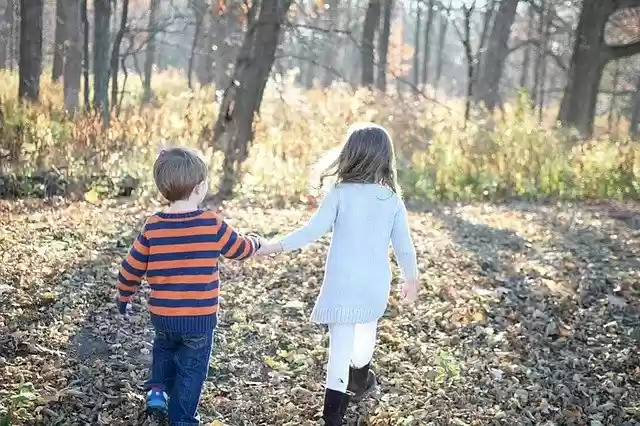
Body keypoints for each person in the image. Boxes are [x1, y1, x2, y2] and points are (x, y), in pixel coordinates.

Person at [257, 123, 420, 425]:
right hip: (373, 287)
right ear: (385, 159)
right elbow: (405, 248)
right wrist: (412, 279)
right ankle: (359, 380)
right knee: (363, 345)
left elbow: (310, 232)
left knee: (339, 352)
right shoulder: (391, 200)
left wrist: (272, 247)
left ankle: (333, 417)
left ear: (351, 155)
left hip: (341, 286)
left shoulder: (339, 194)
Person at [115, 147, 261, 425]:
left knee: (164, 349)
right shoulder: (210, 224)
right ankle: (181, 418)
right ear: (200, 188)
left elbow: (130, 267)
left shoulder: (153, 227)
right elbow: (239, 248)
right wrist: (254, 241)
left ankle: (157, 390)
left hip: (164, 315)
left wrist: (124, 294)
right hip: (198, 319)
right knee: (192, 370)